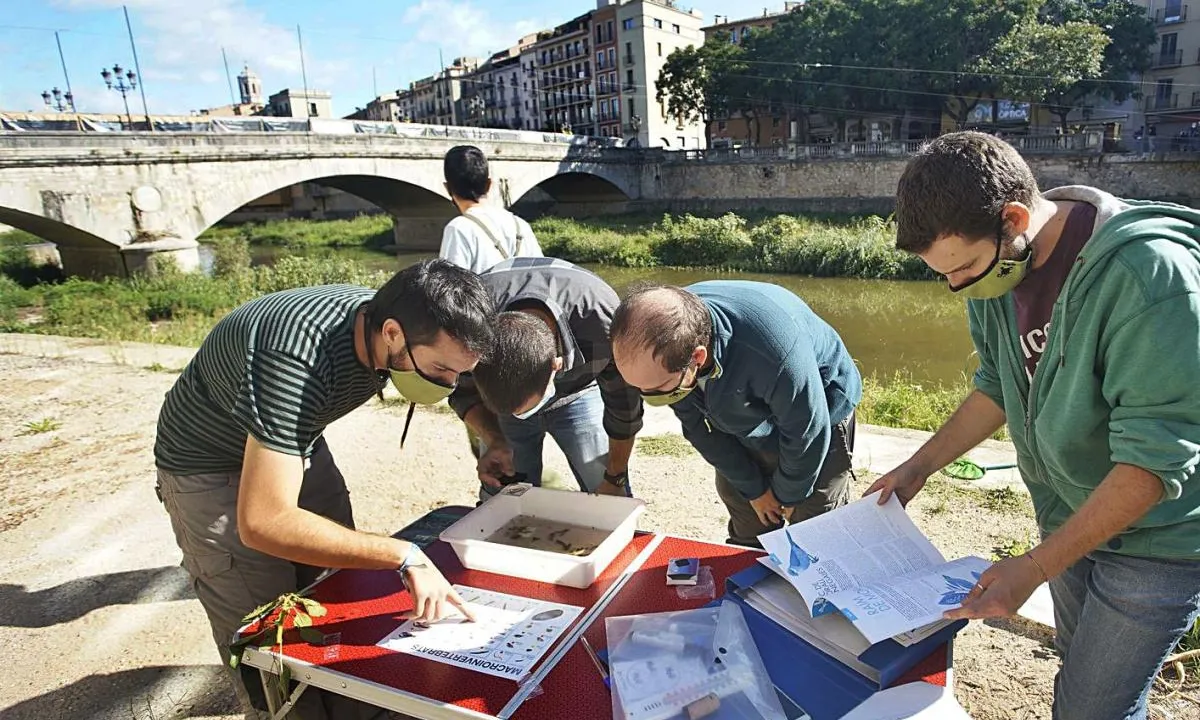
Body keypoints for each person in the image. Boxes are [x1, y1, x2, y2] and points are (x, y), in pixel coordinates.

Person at [868, 131, 1200, 720]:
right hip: (1067, 511)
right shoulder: (995, 270)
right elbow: (997, 385)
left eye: (964, 267)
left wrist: (1034, 567)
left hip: (1160, 537)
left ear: (1015, 218)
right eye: (945, 275)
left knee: (1089, 706)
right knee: (1089, 669)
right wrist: (915, 468)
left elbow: (1154, 461)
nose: (957, 287)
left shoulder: (1148, 275)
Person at [153, 259, 495, 720]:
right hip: (208, 465)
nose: (448, 385)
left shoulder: (385, 322)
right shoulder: (295, 359)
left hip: (294, 437)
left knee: (336, 589)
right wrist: (403, 554)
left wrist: (490, 437)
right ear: (392, 334)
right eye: (439, 370)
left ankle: (346, 699)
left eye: (458, 374)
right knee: (265, 631)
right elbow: (263, 522)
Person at [610, 282, 862, 547]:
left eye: (657, 390)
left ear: (697, 356)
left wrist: (789, 496)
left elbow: (807, 431)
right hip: (739, 404)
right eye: (639, 388)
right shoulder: (661, 340)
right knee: (748, 512)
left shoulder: (775, 349)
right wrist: (755, 489)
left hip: (819, 408)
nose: (648, 397)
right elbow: (699, 428)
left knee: (812, 527)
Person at [448, 257, 643, 499]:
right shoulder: (467, 320)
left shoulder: (603, 320)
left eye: (524, 409)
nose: (520, 418)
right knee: (503, 493)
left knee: (607, 489)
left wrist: (615, 476)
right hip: (508, 383)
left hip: (578, 391)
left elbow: (624, 409)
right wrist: (494, 438)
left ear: (556, 366)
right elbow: (461, 391)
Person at [438, 145, 543, 274]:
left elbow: (449, 287)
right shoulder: (520, 224)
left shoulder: (459, 228)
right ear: (489, 184)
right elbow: (542, 276)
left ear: (447, 188)